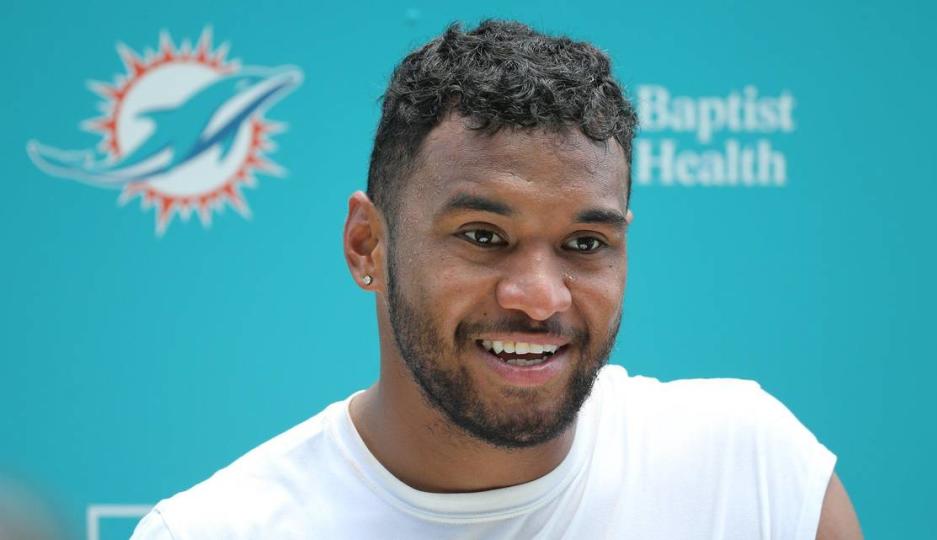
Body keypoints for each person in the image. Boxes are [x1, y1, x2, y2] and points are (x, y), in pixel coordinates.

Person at [132, 20, 862, 539]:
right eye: (484, 237)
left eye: (585, 242)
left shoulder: (759, 479)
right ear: (366, 246)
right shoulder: (212, 530)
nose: (540, 297)